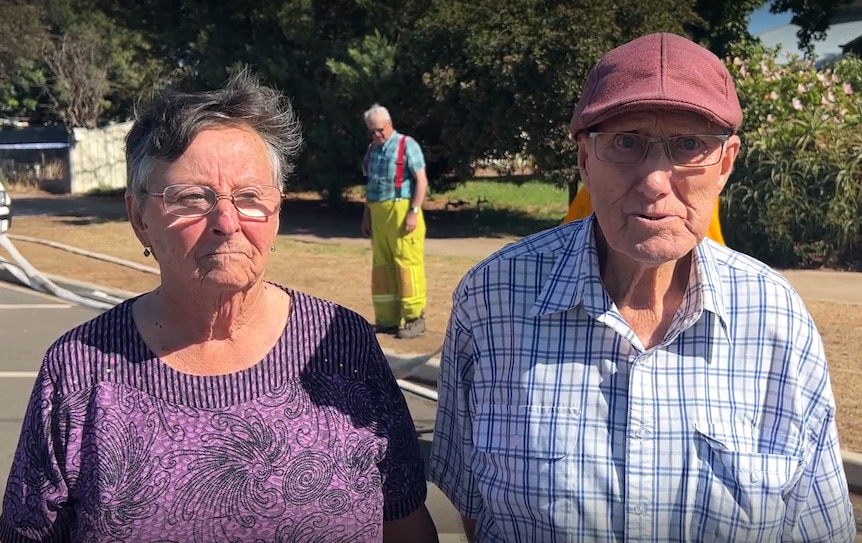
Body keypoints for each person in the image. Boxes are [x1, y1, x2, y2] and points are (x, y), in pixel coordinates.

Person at [429, 32, 855, 542]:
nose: (655, 180)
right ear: (586, 160)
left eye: (689, 145)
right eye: (627, 142)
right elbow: (471, 509)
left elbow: (816, 530)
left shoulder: (776, 317)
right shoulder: (493, 299)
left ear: (725, 163)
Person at [0, 71, 438, 543]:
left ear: (276, 212)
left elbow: (406, 524)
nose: (226, 222)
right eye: (191, 198)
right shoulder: (80, 371)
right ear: (138, 218)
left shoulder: (343, 345)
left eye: (250, 197)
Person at [360, 104, 429, 339]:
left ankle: (415, 319)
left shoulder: (407, 145)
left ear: (389, 124)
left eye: (379, 130)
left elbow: (421, 180)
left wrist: (414, 211)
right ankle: (387, 320)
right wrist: (367, 215)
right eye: (372, 131)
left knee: (407, 266)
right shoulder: (373, 150)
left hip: (402, 211)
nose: (377, 135)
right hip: (379, 215)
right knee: (382, 268)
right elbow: (370, 187)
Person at [563, 186, 726, 245]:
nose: (654, 185)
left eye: (688, 144)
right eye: (628, 143)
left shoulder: (593, 192)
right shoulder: (593, 194)